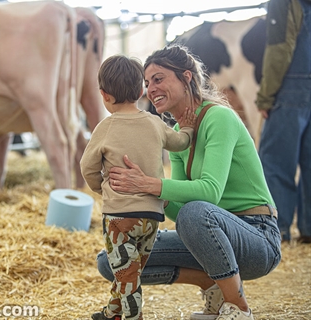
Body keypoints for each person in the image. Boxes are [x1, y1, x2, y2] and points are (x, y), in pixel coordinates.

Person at [96, 45, 282, 320]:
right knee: (112, 261)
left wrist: (151, 184)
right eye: (147, 83)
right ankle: (210, 283)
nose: (151, 89)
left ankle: (238, 307)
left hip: (257, 237)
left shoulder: (220, 117)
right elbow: (179, 212)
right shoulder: (176, 134)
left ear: (186, 77)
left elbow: (210, 192)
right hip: (211, 237)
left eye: (158, 79)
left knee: (197, 212)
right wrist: (137, 192)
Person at [80, 54, 196, 320]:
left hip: (119, 217)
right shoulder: (155, 122)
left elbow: (87, 167)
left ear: (104, 95)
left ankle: (133, 316)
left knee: (126, 273)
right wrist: (188, 128)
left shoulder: (105, 127)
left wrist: (102, 188)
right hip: (152, 217)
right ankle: (113, 312)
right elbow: (179, 142)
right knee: (129, 272)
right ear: (141, 90)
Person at [256, 0, 311, 243]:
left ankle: (278, 231)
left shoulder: (283, 3)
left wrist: (266, 96)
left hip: (290, 89)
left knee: (276, 164)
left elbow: (280, 48)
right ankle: (308, 230)